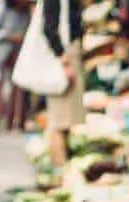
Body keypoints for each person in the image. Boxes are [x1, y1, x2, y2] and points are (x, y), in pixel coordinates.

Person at [41, 0, 84, 167]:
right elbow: (49, 29)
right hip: (64, 57)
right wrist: (63, 60)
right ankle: (60, 168)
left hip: (69, 54)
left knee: (67, 120)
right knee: (59, 120)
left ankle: (64, 164)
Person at [0, 0, 26, 135]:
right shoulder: (3, 7)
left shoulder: (27, 10)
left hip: (19, 51)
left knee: (18, 86)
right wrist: (9, 36)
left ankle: (15, 122)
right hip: (1, 50)